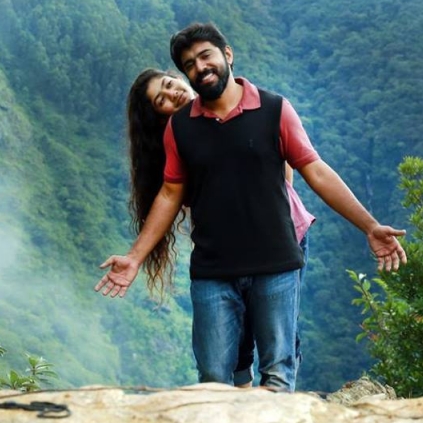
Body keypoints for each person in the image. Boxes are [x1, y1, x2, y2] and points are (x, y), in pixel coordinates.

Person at [95, 22, 407, 391]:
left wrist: (369, 226)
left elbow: (314, 171)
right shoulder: (179, 130)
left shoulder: (273, 110)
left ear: (227, 54)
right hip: (215, 266)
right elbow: (169, 194)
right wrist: (134, 257)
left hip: (275, 256)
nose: (199, 68)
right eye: (190, 65)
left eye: (205, 56)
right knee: (215, 377)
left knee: (277, 371)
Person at [126, 68, 314, 387]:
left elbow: (284, 171)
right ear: (159, 117)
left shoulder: (241, 105)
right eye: (162, 100)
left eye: (170, 84)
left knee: (277, 340)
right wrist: (134, 257)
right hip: (226, 248)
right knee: (232, 347)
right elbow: (173, 196)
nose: (173, 94)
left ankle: (270, 403)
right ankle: (240, 401)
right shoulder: (181, 140)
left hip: (281, 236)